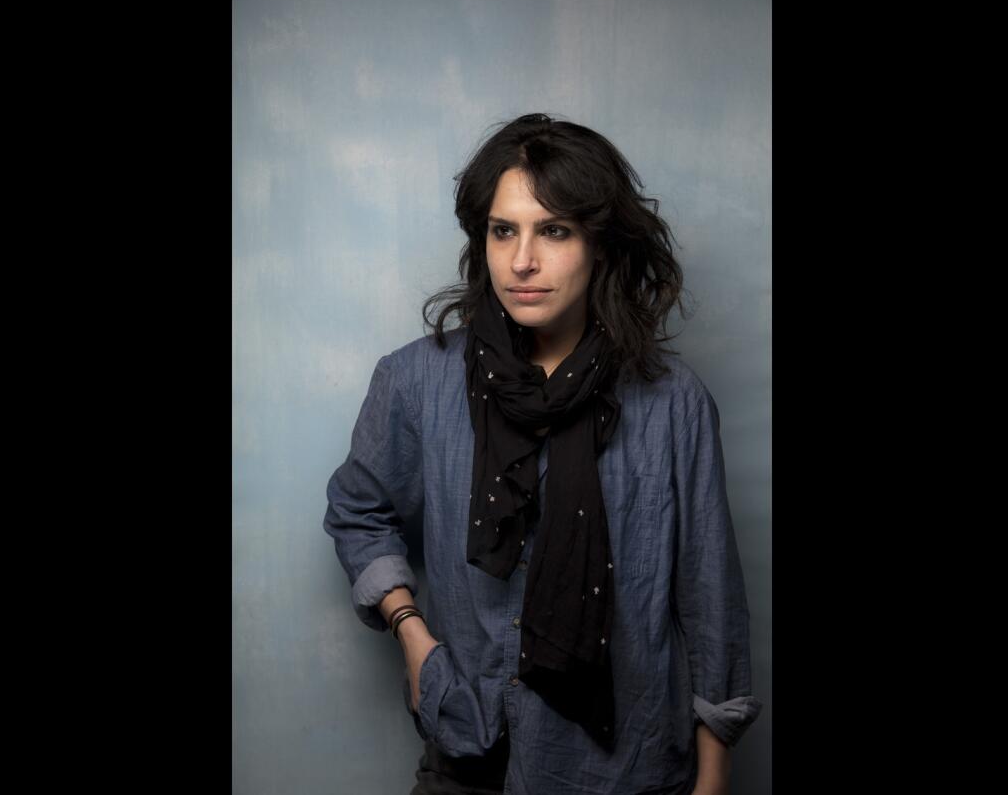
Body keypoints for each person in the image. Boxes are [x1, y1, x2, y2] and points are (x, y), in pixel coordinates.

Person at [323, 113, 761, 795]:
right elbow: (358, 510)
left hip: (628, 768)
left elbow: (710, 597)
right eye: (504, 231)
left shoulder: (672, 402)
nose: (522, 262)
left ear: (599, 244)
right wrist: (412, 634)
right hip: (466, 744)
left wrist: (713, 775)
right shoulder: (416, 381)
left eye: (553, 230)